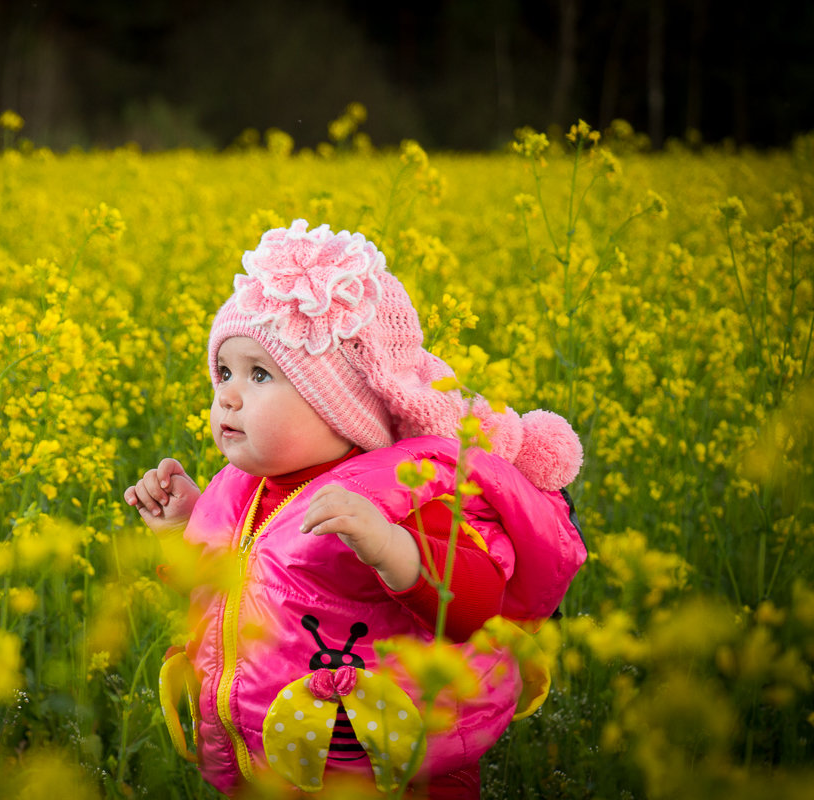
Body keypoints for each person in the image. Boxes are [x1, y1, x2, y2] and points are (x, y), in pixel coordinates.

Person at [124, 220, 586, 798]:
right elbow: (232, 595)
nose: (227, 396)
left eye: (259, 374)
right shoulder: (241, 490)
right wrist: (182, 529)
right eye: (224, 371)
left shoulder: (401, 494)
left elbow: (475, 608)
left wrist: (396, 550)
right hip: (270, 768)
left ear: (342, 408)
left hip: (388, 774)